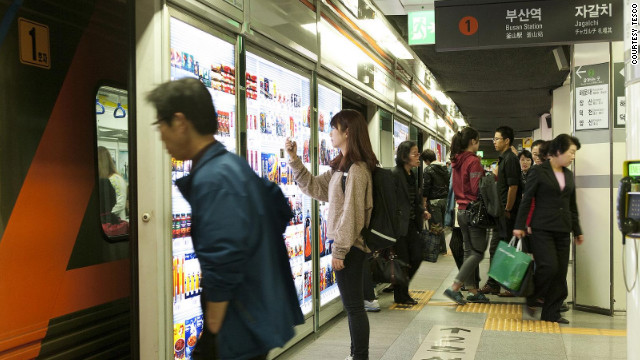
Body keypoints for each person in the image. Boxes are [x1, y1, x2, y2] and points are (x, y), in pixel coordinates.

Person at [147, 78, 303, 360]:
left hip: (237, 322)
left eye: (161, 126)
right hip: (253, 312)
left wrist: (215, 325)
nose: (161, 137)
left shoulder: (212, 178)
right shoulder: (231, 164)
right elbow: (278, 205)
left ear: (180, 122)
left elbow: (223, 257)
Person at [285, 109, 377, 360]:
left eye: (334, 128)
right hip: (347, 246)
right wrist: (294, 159)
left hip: (350, 249)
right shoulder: (341, 167)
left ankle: (360, 356)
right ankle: (356, 355)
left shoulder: (357, 170)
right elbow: (313, 186)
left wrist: (340, 250)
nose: (330, 133)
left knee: (355, 308)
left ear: (347, 132)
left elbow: (353, 214)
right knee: (353, 307)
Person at [514, 134, 584, 324]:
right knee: (548, 266)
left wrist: (577, 230)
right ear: (559, 151)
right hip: (542, 228)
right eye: (571, 152)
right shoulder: (539, 171)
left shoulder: (568, 174)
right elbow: (527, 199)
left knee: (560, 272)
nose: (573, 157)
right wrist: (520, 225)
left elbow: (572, 204)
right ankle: (533, 295)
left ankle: (551, 313)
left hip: (563, 229)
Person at [442, 127, 491, 304]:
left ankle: (472, 290)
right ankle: (454, 287)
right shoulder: (473, 161)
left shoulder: (456, 161)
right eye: (477, 141)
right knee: (477, 252)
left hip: (461, 211)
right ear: (473, 142)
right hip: (473, 211)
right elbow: (478, 189)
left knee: (468, 250)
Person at [480, 125, 522, 295]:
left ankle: (501, 284)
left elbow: (513, 186)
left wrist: (507, 208)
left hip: (507, 213)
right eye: (494, 139)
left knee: (503, 247)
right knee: (500, 247)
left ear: (507, 140)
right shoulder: (504, 158)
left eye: (497, 139)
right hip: (503, 212)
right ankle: (497, 283)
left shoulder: (510, 159)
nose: (494, 142)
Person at [392, 141, 429, 305]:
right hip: (399, 226)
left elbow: (414, 200)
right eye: (414, 153)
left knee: (417, 256)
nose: (418, 156)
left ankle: (402, 290)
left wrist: (422, 211)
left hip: (412, 223)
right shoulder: (394, 174)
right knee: (403, 261)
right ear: (404, 156)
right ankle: (401, 294)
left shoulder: (411, 174)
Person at [421, 148, 450, 254]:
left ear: (427, 160)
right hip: (444, 200)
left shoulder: (428, 170)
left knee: (436, 225)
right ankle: (441, 248)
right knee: (441, 224)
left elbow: (426, 188)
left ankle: (441, 248)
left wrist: (424, 202)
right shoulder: (444, 167)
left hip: (434, 201)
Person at [97, 146, 128, 220]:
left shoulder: (116, 179)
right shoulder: (104, 179)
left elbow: (120, 204)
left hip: (115, 224)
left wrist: (105, 215)